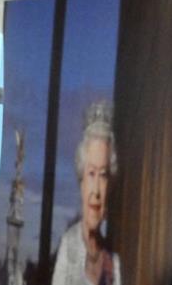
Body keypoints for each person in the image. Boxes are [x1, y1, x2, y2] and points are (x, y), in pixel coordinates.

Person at [52, 101, 121, 285]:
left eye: (104, 175)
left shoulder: (112, 262)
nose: (96, 191)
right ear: (81, 182)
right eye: (91, 174)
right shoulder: (69, 247)